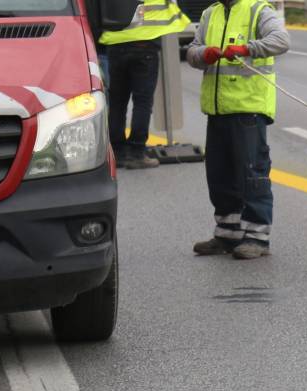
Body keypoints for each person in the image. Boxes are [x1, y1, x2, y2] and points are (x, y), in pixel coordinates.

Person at [186, 0, 289, 260]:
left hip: (248, 109)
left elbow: (281, 40)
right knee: (220, 175)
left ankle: (257, 237)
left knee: (252, 175)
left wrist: (247, 48)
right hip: (218, 109)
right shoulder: (211, 13)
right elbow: (192, 51)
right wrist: (204, 54)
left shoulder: (258, 10)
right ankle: (227, 232)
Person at [99, 0, 191, 169]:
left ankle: (117, 152)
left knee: (117, 102)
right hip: (144, 43)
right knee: (142, 102)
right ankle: (136, 152)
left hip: (115, 43)